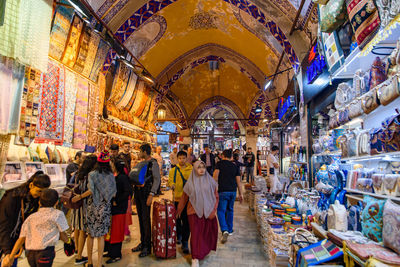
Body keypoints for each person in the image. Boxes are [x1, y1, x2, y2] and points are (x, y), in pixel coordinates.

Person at [2, 189, 72, 267]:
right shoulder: (58, 214)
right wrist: (69, 242)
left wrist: (11, 256)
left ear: (39, 202)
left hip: (30, 254)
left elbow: (21, 238)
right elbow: (63, 235)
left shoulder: (31, 217)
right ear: (56, 202)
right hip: (45, 252)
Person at [72, 151, 116, 267]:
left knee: (90, 235)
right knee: (101, 236)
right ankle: (99, 263)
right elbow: (113, 193)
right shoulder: (111, 176)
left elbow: (91, 190)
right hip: (105, 207)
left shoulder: (92, 174)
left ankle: (90, 262)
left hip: (93, 207)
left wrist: (80, 197)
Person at [0, 172, 51, 267]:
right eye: (39, 191)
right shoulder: (12, 198)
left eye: (43, 192)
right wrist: (7, 251)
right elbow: (4, 225)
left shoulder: (35, 200)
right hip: (4, 238)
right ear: (31, 185)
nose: (41, 195)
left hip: (14, 241)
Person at [178, 161, 219, 267]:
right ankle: (195, 257)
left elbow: (216, 197)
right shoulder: (190, 183)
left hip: (208, 212)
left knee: (205, 234)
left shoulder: (210, 182)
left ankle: (202, 252)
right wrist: (178, 210)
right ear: (194, 169)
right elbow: (184, 198)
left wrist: (213, 210)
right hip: (193, 212)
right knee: (196, 235)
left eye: (203, 167)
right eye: (198, 167)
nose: (201, 169)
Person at [131, 144, 161, 258]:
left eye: (140, 151)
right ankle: (143, 242)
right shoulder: (141, 162)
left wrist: (152, 194)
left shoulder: (153, 163)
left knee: (145, 219)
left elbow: (157, 179)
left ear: (144, 151)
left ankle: (147, 247)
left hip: (146, 193)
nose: (139, 153)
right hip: (138, 193)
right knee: (140, 218)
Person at [71, 155, 97, 265]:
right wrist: (81, 196)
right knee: (84, 232)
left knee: (79, 230)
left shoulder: (77, 174)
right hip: (85, 206)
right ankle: (82, 257)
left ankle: (78, 253)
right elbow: (91, 190)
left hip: (76, 206)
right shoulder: (91, 175)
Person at [104, 160, 132, 264]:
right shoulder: (118, 176)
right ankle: (111, 252)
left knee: (116, 231)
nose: (111, 167)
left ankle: (116, 255)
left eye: (112, 165)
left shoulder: (122, 178)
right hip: (115, 208)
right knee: (113, 230)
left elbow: (127, 192)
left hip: (119, 208)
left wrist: (117, 201)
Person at [213, 149, 243, 244]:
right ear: (231, 157)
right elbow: (239, 181)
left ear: (222, 155)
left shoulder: (219, 164)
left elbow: (215, 177)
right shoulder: (235, 166)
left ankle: (224, 229)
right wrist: (241, 194)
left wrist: (213, 189)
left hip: (223, 191)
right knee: (230, 209)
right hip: (233, 192)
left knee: (220, 210)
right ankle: (230, 230)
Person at [168, 151, 193, 254]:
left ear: (186, 158)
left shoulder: (191, 170)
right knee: (177, 220)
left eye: (183, 158)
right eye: (180, 158)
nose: (182, 160)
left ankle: (185, 242)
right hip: (177, 199)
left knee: (187, 221)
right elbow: (170, 181)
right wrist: (171, 185)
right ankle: (178, 235)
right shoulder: (173, 170)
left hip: (188, 199)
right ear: (177, 159)